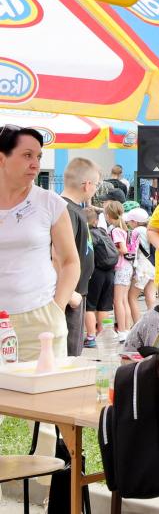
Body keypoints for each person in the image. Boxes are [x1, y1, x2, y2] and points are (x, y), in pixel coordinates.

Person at [0, 125, 79, 360]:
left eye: (39, 156)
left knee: (43, 383)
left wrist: (57, 308)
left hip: (39, 320)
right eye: (27, 155)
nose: (35, 164)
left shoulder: (50, 203)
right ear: (2, 158)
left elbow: (70, 261)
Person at [58, 157, 101, 356]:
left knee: (74, 351)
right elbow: (57, 255)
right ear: (87, 185)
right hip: (69, 295)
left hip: (77, 292)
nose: (95, 190)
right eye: (96, 185)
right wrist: (69, 294)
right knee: (69, 355)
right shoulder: (66, 210)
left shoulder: (74, 209)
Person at [84, 207, 114, 347]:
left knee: (89, 307)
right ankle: (102, 335)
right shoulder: (102, 231)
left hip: (95, 272)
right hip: (109, 272)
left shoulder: (87, 234)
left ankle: (91, 337)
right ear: (95, 221)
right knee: (104, 306)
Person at [105, 201, 134, 338]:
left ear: (108, 215)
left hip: (121, 267)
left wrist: (110, 250)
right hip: (127, 267)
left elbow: (123, 249)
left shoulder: (116, 230)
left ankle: (122, 330)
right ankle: (126, 329)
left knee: (118, 301)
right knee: (124, 300)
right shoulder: (124, 229)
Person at [124, 207, 157, 324]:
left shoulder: (136, 231)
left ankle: (138, 325)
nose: (128, 224)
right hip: (153, 266)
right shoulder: (150, 229)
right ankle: (153, 324)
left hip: (142, 268)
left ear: (135, 222)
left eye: (129, 221)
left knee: (132, 297)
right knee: (150, 297)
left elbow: (131, 250)